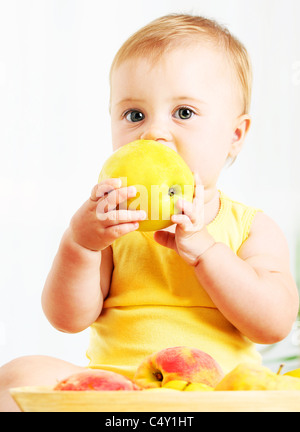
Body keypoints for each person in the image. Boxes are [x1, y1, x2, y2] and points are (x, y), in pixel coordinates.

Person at [1, 13, 298, 412]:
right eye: (135, 115)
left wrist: (205, 249)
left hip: (218, 394)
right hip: (120, 391)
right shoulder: (112, 225)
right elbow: (67, 318)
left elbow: (274, 323)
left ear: (235, 135)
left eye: (184, 113)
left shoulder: (251, 228)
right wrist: (81, 244)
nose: (153, 133)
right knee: (19, 375)